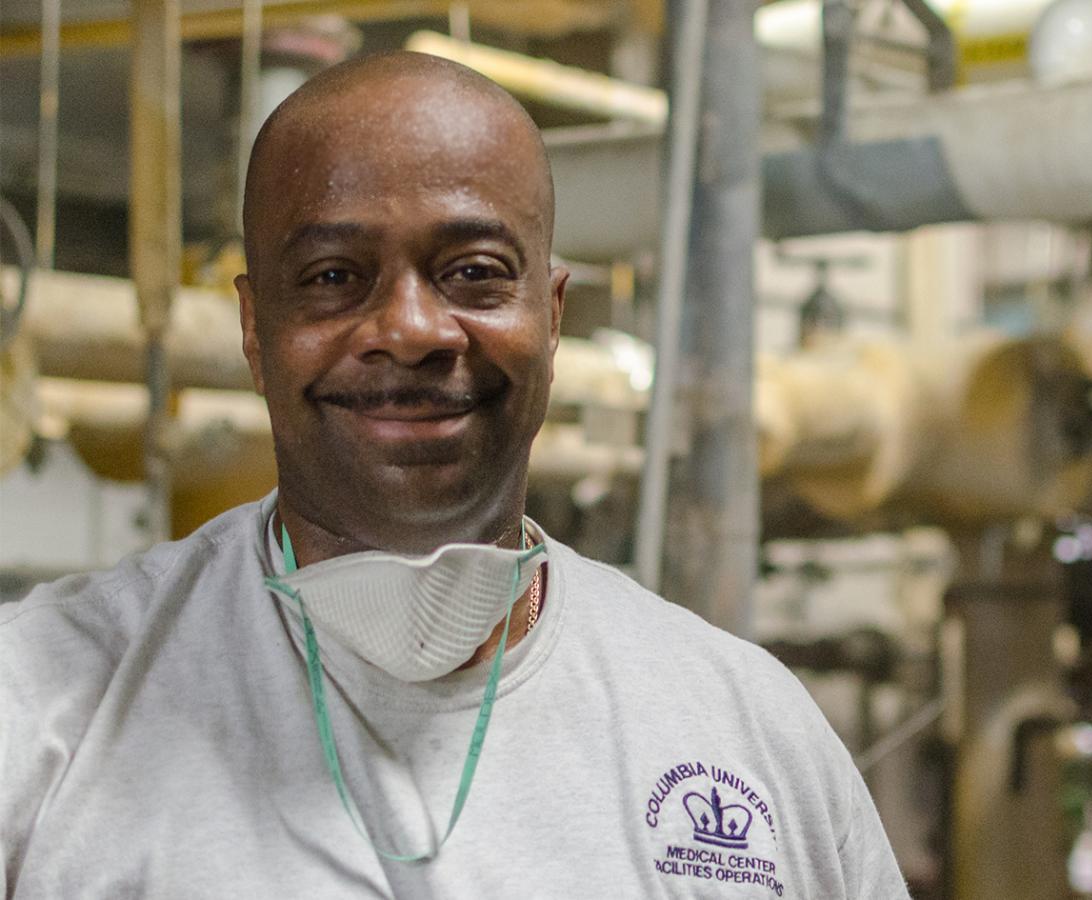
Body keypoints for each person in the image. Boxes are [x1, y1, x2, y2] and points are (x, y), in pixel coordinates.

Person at [0, 52, 909, 899]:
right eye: (332, 276)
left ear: (550, 316)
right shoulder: (40, 707)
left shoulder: (745, 731)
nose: (411, 328)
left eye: (473, 272)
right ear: (253, 327)